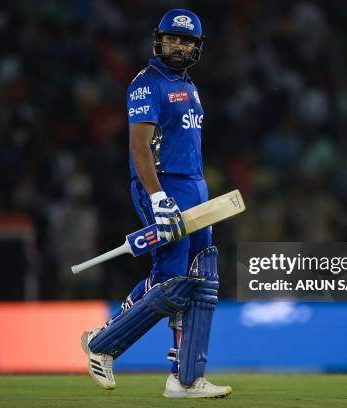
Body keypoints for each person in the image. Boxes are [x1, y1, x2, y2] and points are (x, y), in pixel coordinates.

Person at [80, 8, 232, 399]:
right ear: (159, 40)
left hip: (194, 187)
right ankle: (103, 344)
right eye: (173, 38)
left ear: (197, 47)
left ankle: (186, 379)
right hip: (162, 186)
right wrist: (159, 198)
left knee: (203, 276)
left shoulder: (190, 85)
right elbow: (139, 146)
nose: (179, 45)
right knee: (173, 281)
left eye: (187, 41)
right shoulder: (147, 84)